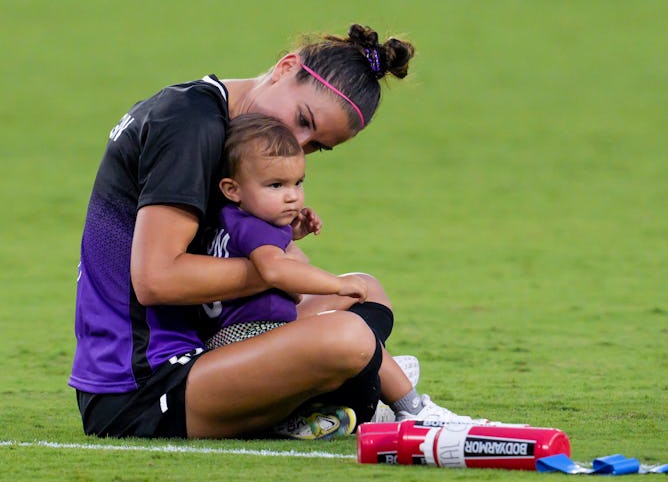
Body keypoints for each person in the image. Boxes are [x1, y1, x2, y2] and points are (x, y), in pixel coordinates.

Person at [69, 23, 487, 440]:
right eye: (302, 119)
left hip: (202, 346)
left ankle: (342, 391)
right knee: (346, 336)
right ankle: (374, 396)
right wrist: (274, 270)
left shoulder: (239, 139)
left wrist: (286, 256)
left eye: (315, 146)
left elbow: (242, 255)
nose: (295, 142)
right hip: (139, 386)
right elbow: (156, 280)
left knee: (366, 292)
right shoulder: (189, 124)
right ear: (287, 67)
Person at [202, 113, 491, 437]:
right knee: (350, 324)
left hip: (233, 341)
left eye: (298, 183)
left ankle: (348, 394)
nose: (292, 196)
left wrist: (287, 234)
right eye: (275, 185)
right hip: (252, 338)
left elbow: (258, 254)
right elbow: (275, 270)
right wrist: (337, 285)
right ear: (232, 188)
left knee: (362, 298)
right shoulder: (254, 228)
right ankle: (413, 409)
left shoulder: (229, 217)